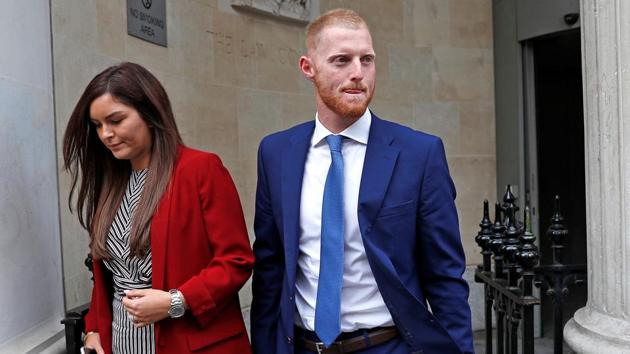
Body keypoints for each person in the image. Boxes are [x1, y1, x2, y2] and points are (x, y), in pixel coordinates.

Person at [251, 8, 474, 354]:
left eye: (366, 59)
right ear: (308, 68)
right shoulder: (276, 153)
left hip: (388, 346)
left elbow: (446, 278)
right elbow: (270, 269)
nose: (358, 73)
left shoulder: (419, 154)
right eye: (342, 60)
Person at [63, 62, 254, 354]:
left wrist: (176, 301)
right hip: (122, 343)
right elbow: (108, 275)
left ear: (150, 114)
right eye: (98, 125)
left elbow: (236, 260)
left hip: (190, 342)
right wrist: (92, 330)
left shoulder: (200, 169)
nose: (105, 134)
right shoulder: (111, 185)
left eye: (116, 120)